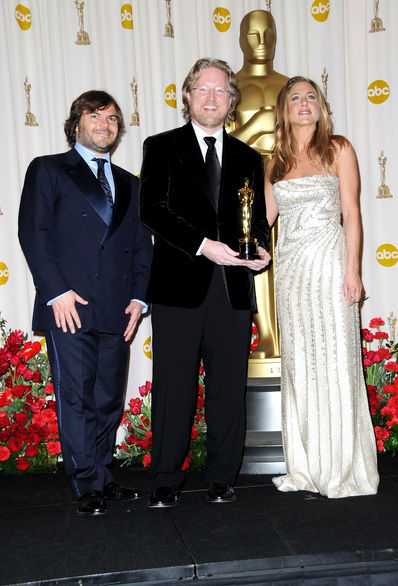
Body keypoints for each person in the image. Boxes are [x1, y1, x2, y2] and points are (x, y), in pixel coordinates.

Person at [139, 58, 271, 508]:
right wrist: (202, 245)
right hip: (179, 285)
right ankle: (164, 478)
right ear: (188, 96)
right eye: (203, 89)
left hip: (233, 288)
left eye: (220, 91)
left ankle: (222, 476)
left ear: (232, 102)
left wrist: (264, 249)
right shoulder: (161, 146)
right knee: (174, 385)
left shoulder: (250, 158)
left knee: (228, 387)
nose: (211, 97)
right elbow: (152, 209)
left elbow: (254, 223)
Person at [18, 90, 153, 516]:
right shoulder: (49, 170)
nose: (105, 124)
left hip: (116, 307)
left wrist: (138, 298)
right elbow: (33, 233)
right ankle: (85, 483)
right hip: (69, 305)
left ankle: (103, 474)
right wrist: (55, 292)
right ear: (76, 123)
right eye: (95, 116)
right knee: (75, 396)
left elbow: (140, 248)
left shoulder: (132, 184)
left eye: (113, 119)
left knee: (108, 397)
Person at [265, 76, 379, 498]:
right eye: (295, 97)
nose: (304, 102)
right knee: (301, 365)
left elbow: (352, 213)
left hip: (331, 268)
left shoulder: (338, 149)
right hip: (291, 275)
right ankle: (307, 466)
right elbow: (263, 223)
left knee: (335, 362)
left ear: (321, 105)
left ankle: (342, 468)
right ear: (285, 109)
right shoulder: (273, 162)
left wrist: (354, 270)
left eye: (311, 96)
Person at [228, 8, 289, 365]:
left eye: (268, 33)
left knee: (291, 260)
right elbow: (221, 144)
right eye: (253, 35)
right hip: (248, 186)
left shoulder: (289, 85)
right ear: (240, 39)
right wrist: (256, 129)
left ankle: (291, 334)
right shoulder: (231, 87)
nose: (262, 42)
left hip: (290, 180)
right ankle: (267, 334)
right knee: (259, 260)